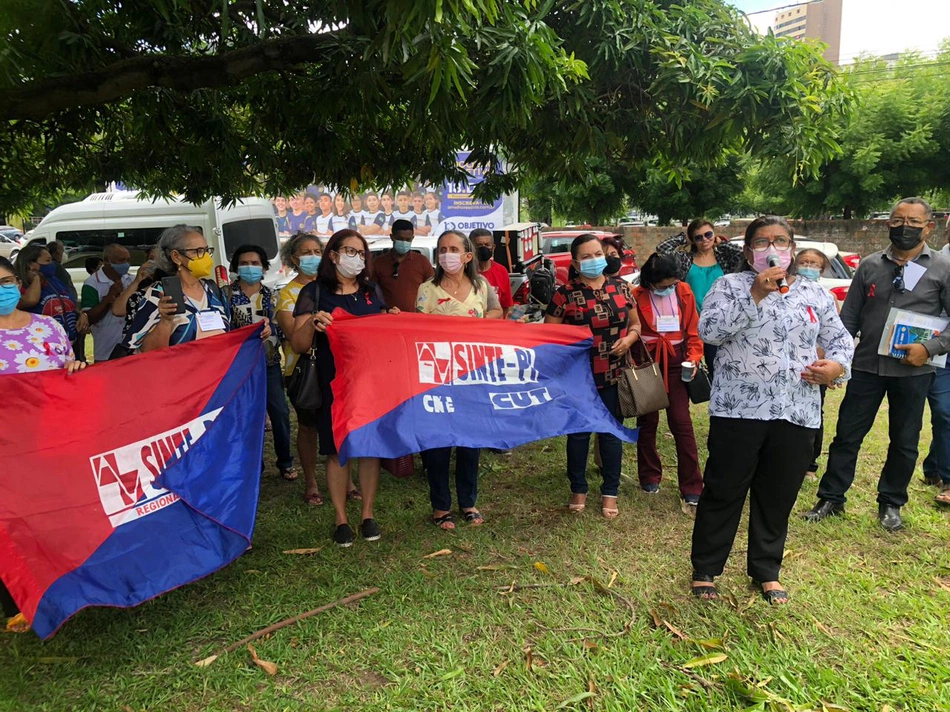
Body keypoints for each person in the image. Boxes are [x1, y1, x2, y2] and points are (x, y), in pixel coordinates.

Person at [689, 216, 853, 604]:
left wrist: (836, 367)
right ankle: (706, 568)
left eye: (780, 241)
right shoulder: (728, 286)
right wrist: (755, 295)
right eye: (761, 243)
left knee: (778, 494)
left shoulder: (816, 295)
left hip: (796, 412)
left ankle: (766, 569)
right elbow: (710, 332)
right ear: (748, 252)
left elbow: (841, 341)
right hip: (738, 410)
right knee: (724, 489)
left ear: (792, 250)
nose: (772, 249)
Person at [804, 197, 950, 531]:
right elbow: (849, 318)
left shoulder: (943, 268)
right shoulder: (870, 265)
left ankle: (891, 503)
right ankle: (831, 497)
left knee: (904, 440)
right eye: (898, 220)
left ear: (929, 226)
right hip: (867, 365)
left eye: (914, 222)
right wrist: (834, 357)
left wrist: (929, 348)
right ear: (888, 223)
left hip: (914, 369)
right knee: (847, 435)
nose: (905, 228)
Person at [291, 229, 395, 547]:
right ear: (333, 255)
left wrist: (391, 321)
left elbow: (380, 335)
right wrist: (311, 324)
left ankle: (367, 514)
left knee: (369, 448)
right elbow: (297, 343)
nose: (357, 258)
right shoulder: (314, 292)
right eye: (350, 251)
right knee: (337, 451)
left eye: (361, 253)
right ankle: (341, 519)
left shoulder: (371, 291)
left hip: (369, 381)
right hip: (334, 382)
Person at [0, 255, 86, 625]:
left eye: (5, 281)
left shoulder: (48, 327)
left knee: (57, 514)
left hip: (54, 441)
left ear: (18, 283)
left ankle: (65, 583)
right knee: (13, 523)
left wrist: (75, 371)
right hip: (7, 451)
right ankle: (18, 597)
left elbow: (70, 370)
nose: (3, 290)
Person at [544, 234, 641, 519]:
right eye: (586, 257)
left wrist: (629, 340)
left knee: (611, 433)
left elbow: (636, 324)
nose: (594, 260)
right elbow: (550, 337)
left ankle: (610, 491)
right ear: (575, 262)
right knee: (578, 434)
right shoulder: (564, 294)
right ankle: (578, 488)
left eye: (597, 253)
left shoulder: (622, 288)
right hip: (578, 377)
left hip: (614, 373)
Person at [416, 230, 503, 529]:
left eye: (453, 248)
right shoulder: (427, 289)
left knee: (470, 441)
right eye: (442, 249)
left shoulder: (482, 285)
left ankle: (468, 501)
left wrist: (472, 326)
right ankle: (441, 506)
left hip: (473, 374)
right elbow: (417, 329)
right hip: (436, 375)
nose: (446, 254)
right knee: (438, 442)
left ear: (468, 255)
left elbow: (497, 311)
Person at [278, 233, 359, 504]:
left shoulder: (337, 287)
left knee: (341, 423)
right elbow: (295, 337)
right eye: (306, 252)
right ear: (293, 259)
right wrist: (314, 322)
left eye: (317, 251)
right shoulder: (289, 294)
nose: (313, 256)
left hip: (338, 369)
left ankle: (347, 482)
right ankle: (312, 482)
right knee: (309, 426)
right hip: (305, 370)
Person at [632, 253, 704, 505]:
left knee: (681, 422)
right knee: (647, 421)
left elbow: (694, 332)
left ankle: (692, 484)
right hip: (646, 363)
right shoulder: (636, 295)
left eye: (672, 284)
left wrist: (694, 358)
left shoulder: (683, 292)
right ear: (650, 281)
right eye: (663, 286)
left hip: (677, 364)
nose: (668, 289)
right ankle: (649, 475)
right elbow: (631, 329)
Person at [229, 244, 295, 481]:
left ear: (264, 267)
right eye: (244, 263)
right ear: (236, 266)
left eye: (255, 263)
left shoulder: (272, 295)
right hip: (238, 367)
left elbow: (282, 326)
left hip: (268, 363)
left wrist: (271, 331)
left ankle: (285, 461)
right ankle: (253, 466)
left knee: (279, 413)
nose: (249, 267)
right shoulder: (226, 294)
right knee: (246, 417)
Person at [122, 225, 241, 352]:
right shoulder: (159, 294)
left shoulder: (213, 291)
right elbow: (148, 352)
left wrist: (261, 331)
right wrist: (166, 321)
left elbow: (231, 337)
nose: (206, 257)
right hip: (181, 371)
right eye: (198, 251)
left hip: (218, 370)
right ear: (176, 257)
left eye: (207, 250)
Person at [656, 219, 744, 379]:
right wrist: (684, 238)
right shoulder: (685, 259)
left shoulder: (723, 257)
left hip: (718, 321)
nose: (704, 239)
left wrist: (721, 243)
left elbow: (743, 253)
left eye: (708, 234)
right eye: (698, 237)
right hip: (692, 321)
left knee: (717, 368)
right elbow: (662, 249)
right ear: (693, 240)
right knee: (688, 371)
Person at [793, 248, 833, 479]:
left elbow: (835, 336)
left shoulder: (827, 298)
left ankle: (810, 464)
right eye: (804, 262)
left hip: (816, 367)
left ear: (821, 269)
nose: (808, 266)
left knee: (815, 412)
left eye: (813, 263)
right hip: (790, 366)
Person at [15, 243, 86, 349]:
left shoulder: (54, 281)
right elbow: (31, 300)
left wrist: (81, 315)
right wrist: (36, 279)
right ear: (31, 264)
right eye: (47, 261)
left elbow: (68, 302)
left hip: (69, 343)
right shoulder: (20, 285)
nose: (52, 264)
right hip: (41, 346)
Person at [81, 244, 136, 362]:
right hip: (105, 350)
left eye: (128, 260)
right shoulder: (92, 283)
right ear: (107, 260)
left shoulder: (132, 280)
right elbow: (89, 318)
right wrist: (108, 298)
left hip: (131, 348)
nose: (126, 264)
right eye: (121, 260)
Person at [375, 219, 434, 313]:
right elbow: (372, 293)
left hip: (415, 319)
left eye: (408, 239)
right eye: (400, 239)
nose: (404, 242)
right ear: (392, 237)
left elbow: (432, 289)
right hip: (388, 318)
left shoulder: (422, 261)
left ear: (412, 238)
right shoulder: (378, 263)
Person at [471, 228, 514, 318]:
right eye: (478, 245)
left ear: (493, 247)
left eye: (487, 245)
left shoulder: (501, 271)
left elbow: (507, 305)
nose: (483, 248)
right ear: (471, 248)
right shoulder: (464, 272)